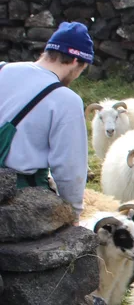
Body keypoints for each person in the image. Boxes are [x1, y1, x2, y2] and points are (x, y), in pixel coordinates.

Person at [0, 21, 92, 219]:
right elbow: (70, 169)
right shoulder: (66, 100)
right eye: (82, 69)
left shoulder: (2, 69)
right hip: (19, 197)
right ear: (76, 61)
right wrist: (73, 213)